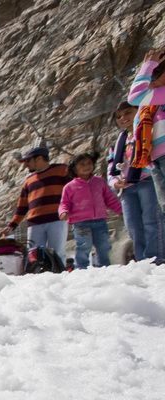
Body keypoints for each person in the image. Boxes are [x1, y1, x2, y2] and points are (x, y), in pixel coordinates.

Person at [108, 100, 163, 261]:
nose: (123, 118)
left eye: (128, 113)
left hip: (147, 182)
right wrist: (114, 182)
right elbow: (111, 167)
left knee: (151, 221)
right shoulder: (118, 143)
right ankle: (141, 259)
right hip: (126, 189)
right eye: (119, 116)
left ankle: (156, 258)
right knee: (133, 226)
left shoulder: (147, 132)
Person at [5, 146, 71, 262]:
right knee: (33, 256)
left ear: (39, 158)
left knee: (57, 253)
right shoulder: (28, 181)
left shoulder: (62, 170)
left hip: (57, 220)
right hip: (34, 224)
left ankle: (60, 278)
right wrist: (12, 225)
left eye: (28, 161)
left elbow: (75, 189)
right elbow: (22, 207)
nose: (26, 165)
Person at [59, 152, 122, 269]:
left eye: (89, 163)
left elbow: (110, 199)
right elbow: (64, 203)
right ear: (74, 169)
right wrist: (63, 212)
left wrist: (120, 210)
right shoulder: (69, 187)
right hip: (80, 223)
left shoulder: (100, 182)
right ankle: (81, 268)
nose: (86, 166)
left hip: (100, 221)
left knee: (103, 245)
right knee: (84, 246)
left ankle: (104, 267)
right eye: (82, 164)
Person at [127, 47, 165, 212]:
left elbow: (135, 96)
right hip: (156, 163)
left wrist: (148, 65)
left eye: (158, 72)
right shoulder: (147, 106)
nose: (152, 77)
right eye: (153, 73)